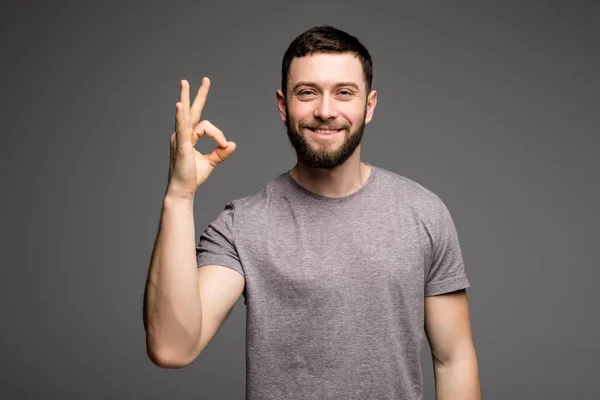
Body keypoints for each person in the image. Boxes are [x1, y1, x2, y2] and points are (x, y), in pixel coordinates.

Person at [144, 25, 481, 400]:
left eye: (344, 93)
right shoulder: (244, 226)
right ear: (282, 104)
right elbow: (172, 348)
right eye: (307, 93)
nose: (325, 111)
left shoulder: (423, 213)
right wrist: (179, 194)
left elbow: (454, 359)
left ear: (368, 106)